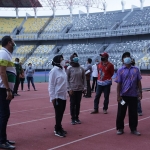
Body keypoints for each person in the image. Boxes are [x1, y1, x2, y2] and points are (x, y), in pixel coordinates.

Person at [115, 52, 142, 136]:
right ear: (122, 60)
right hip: (123, 96)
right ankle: (120, 128)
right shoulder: (120, 70)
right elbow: (118, 84)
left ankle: (133, 129)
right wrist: (118, 95)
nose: (127, 58)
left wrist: (140, 92)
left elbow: (139, 82)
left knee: (133, 112)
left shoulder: (136, 69)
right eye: (125, 57)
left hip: (133, 96)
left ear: (131, 59)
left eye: (128, 57)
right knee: (121, 112)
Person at [0, 36, 16, 149]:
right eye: (13, 41)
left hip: (4, 88)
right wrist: (7, 89)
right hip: (2, 89)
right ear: (9, 42)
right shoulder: (3, 53)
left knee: (3, 114)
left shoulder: (6, 53)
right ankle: (2, 141)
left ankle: (3, 138)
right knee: (4, 114)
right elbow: (2, 72)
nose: (14, 43)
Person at [48, 55, 67, 137]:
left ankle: (59, 126)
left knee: (61, 112)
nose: (63, 60)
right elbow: (51, 85)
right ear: (57, 61)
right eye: (61, 59)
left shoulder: (63, 69)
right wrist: (52, 97)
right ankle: (57, 129)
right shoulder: (54, 71)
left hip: (64, 95)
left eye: (63, 59)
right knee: (58, 113)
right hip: (57, 96)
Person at [67, 53, 87, 125]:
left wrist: (85, 87)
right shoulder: (69, 68)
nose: (76, 58)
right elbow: (67, 79)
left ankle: (77, 117)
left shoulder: (81, 68)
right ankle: (72, 118)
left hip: (79, 89)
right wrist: (69, 89)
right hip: (72, 89)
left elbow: (84, 78)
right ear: (72, 58)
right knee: (72, 104)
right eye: (74, 57)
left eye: (76, 57)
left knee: (78, 104)